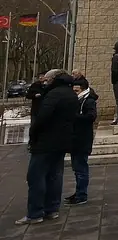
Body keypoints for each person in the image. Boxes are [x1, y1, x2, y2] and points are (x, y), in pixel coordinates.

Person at [16, 69, 78, 227]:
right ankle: (52, 209)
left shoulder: (53, 94)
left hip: (46, 141)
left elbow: (42, 118)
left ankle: (35, 212)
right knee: (55, 175)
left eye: (46, 80)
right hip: (62, 141)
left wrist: (33, 134)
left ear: (53, 80)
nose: (44, 82)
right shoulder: (70, 93)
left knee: (36, 176)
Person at [66, 77, 97, 206]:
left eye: (76, 90)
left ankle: (81, 194)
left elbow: (91, 117)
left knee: (81, 168)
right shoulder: (78, 100)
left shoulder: (88, 101)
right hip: (76, 138)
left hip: (82, 138)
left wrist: (75, 117)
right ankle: (79, 192)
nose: (74, 92)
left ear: (83, 89)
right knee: (77, 168)